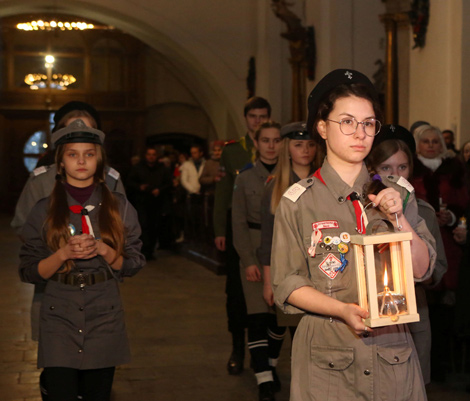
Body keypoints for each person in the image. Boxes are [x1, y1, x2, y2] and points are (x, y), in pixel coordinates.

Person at [270, 69, 437, 401]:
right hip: (328, 356)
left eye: (368, 123)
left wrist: (399, 218)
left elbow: (423, 269)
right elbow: (286, 284)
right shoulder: (299, 201)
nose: (359, 133)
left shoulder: (398, 195)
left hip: (391, 352)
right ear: (322, 127)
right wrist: (341, 309)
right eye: (347, 121)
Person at [19, 119, 145, 401]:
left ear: (98, 160)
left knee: (97, 394)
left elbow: (135, 262)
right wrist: (63, 254)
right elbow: (28, 271)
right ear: (61, 162)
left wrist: (106, 250)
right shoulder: (44, 210)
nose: (81, 161)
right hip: (59, 310)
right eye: (72, 154)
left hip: (104, 310)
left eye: (89, 154)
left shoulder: (119, 207)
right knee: (61, 391)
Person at [366, 124, 448, 384]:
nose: (395, 175)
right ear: (373, 171)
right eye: (386, 169)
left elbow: (439, 268)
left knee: (415, 382)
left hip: (415, 307)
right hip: (372, 314)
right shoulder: (362, 209)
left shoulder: (422, 211)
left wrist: (422, 273)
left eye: (402, 168)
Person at [213, 96, 271, 374]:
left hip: (268, 228)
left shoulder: (277, 146)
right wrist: (217, 229)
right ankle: (238, 348)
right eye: (253, 116)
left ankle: (265, 352)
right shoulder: (233, 150)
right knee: (236, 294)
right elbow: (224, 191)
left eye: (263, 116)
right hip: (238, 225)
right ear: (246, 118)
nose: (257, 121)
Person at [232, 121, 285, 401]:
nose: (271, 145)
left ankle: (271, 364)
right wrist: (248, 260)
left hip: (282, 251)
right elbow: (238, 222)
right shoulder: (245, 177)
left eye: (277, 140)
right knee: (256, 315)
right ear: (256, 142)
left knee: (278, 319)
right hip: (253, 249)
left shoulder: (288, 176)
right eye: (266, 140)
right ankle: (263, 378)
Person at [411, 124, 469, 381]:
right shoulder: (413, 169)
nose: (432, 145)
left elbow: (465, 201)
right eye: (427, 141)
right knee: (425, 306)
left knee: (447, 306)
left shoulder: (455, 170)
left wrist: (452, 216)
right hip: (421, 238)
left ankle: (444, 363)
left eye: (436, 141)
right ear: (419, 145)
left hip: (449, 241)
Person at [258, 121, 322, 330]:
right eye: (298, 145)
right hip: (290, 266)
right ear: (287, 148)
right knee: (296, 329)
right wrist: (268, 282)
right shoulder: (275, 186)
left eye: (311, 144)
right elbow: (268, 239)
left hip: (321, 263)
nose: (306, 150)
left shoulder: (323, 182)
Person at [126, 146, 173, 259]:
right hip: (141, 202)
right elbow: (130, 182)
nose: (151, 157)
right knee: (143, 225)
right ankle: (143, 250)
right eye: (149, 154)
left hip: (157, 202)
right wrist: (140, 187)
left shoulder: (163, 169)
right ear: (145, 156)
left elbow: (168, 183)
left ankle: (150, 250)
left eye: (153, 155)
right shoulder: (138, 168)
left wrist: (159, 190)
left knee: (154, 226)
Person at [180, 144, 206, 243]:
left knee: (201, 217)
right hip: (191, 194)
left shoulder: (205, 163)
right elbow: (184, 180)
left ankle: (200, 237)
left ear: (200, 153)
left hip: (202, 193)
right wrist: (193, 190)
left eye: (195, 152)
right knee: (191, 216)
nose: (193, 155)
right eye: (192, 153)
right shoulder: (187, 165)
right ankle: (191, 237)